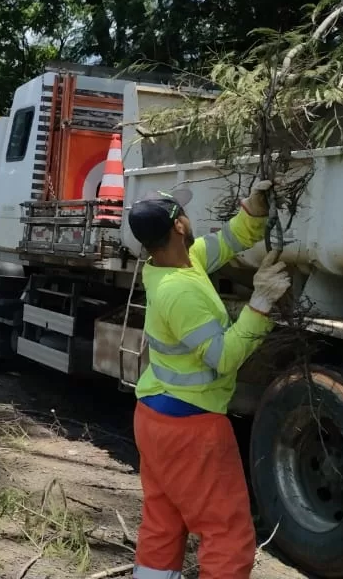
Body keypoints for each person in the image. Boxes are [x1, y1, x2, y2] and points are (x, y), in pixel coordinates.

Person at [127, 181, 291, 579]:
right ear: (179, 226)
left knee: (163, 522)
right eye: (184, 213)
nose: (189, 216)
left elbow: (230, 241)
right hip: (191, 427)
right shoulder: (179, 291)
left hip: (157, 419)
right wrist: (261, 303)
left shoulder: (177, 263)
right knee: (227, 533)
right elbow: (223, 358)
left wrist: (253, 211)